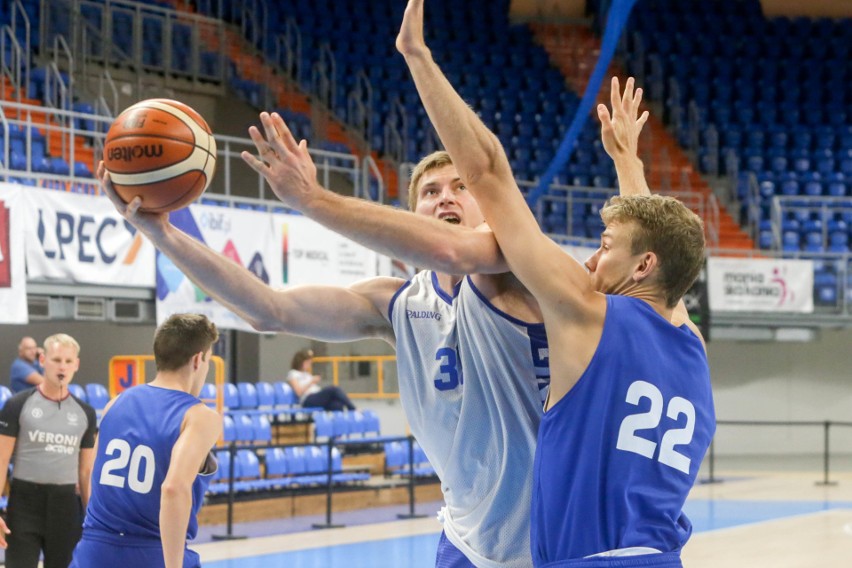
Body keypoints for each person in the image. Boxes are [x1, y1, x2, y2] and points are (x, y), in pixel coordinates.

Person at [388, 1, 716, 565]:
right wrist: (627, 164)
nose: (593, 258)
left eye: (606, 248)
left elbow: (487, 174)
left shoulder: (587, 310)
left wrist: (417, 58)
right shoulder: (688, 342)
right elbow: (659, 263)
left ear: (640, 267)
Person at [70, 313, 221, 568]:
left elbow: (95, 475)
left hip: (93, 549)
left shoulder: (115, 403)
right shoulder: (199, 416)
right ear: (198, 360)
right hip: (151, 551)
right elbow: (173, 489)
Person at [0, 334, 97, 568]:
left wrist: (94, 520)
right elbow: (1, 462)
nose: (62, 366)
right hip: (24, 506)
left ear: (76, 364)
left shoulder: (86, 413)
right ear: (42, 360)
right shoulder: (17, 405)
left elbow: (85, 473)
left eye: (67, 361)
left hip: (65, 508)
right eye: (56, 359)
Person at [287, 348, 356, 411]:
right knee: (333, 389)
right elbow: (298, 392)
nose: (309, 365)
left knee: (337, 404)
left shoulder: (307, 374)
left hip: (316, 395)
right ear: (302, 362)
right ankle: (353, 409)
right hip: (308, 399)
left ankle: (337, 423)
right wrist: (311, 382)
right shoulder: (293, 374)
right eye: (308, 362)